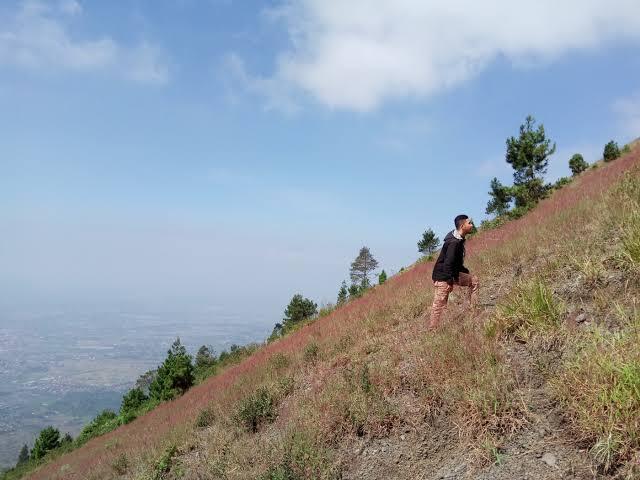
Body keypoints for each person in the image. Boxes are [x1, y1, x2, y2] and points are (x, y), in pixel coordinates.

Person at [428, 214, 479, 329]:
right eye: (469, 223)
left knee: (474, 280)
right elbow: (448, 264)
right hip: (443, 276)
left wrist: (465, 272)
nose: (472, 225)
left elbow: (455, 262)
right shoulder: (453, 242)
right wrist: (449, 282)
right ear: (462, 226)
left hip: (452, 273)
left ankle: (473, 310)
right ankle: (433, 330)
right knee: (440, 304)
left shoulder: (459, 240)